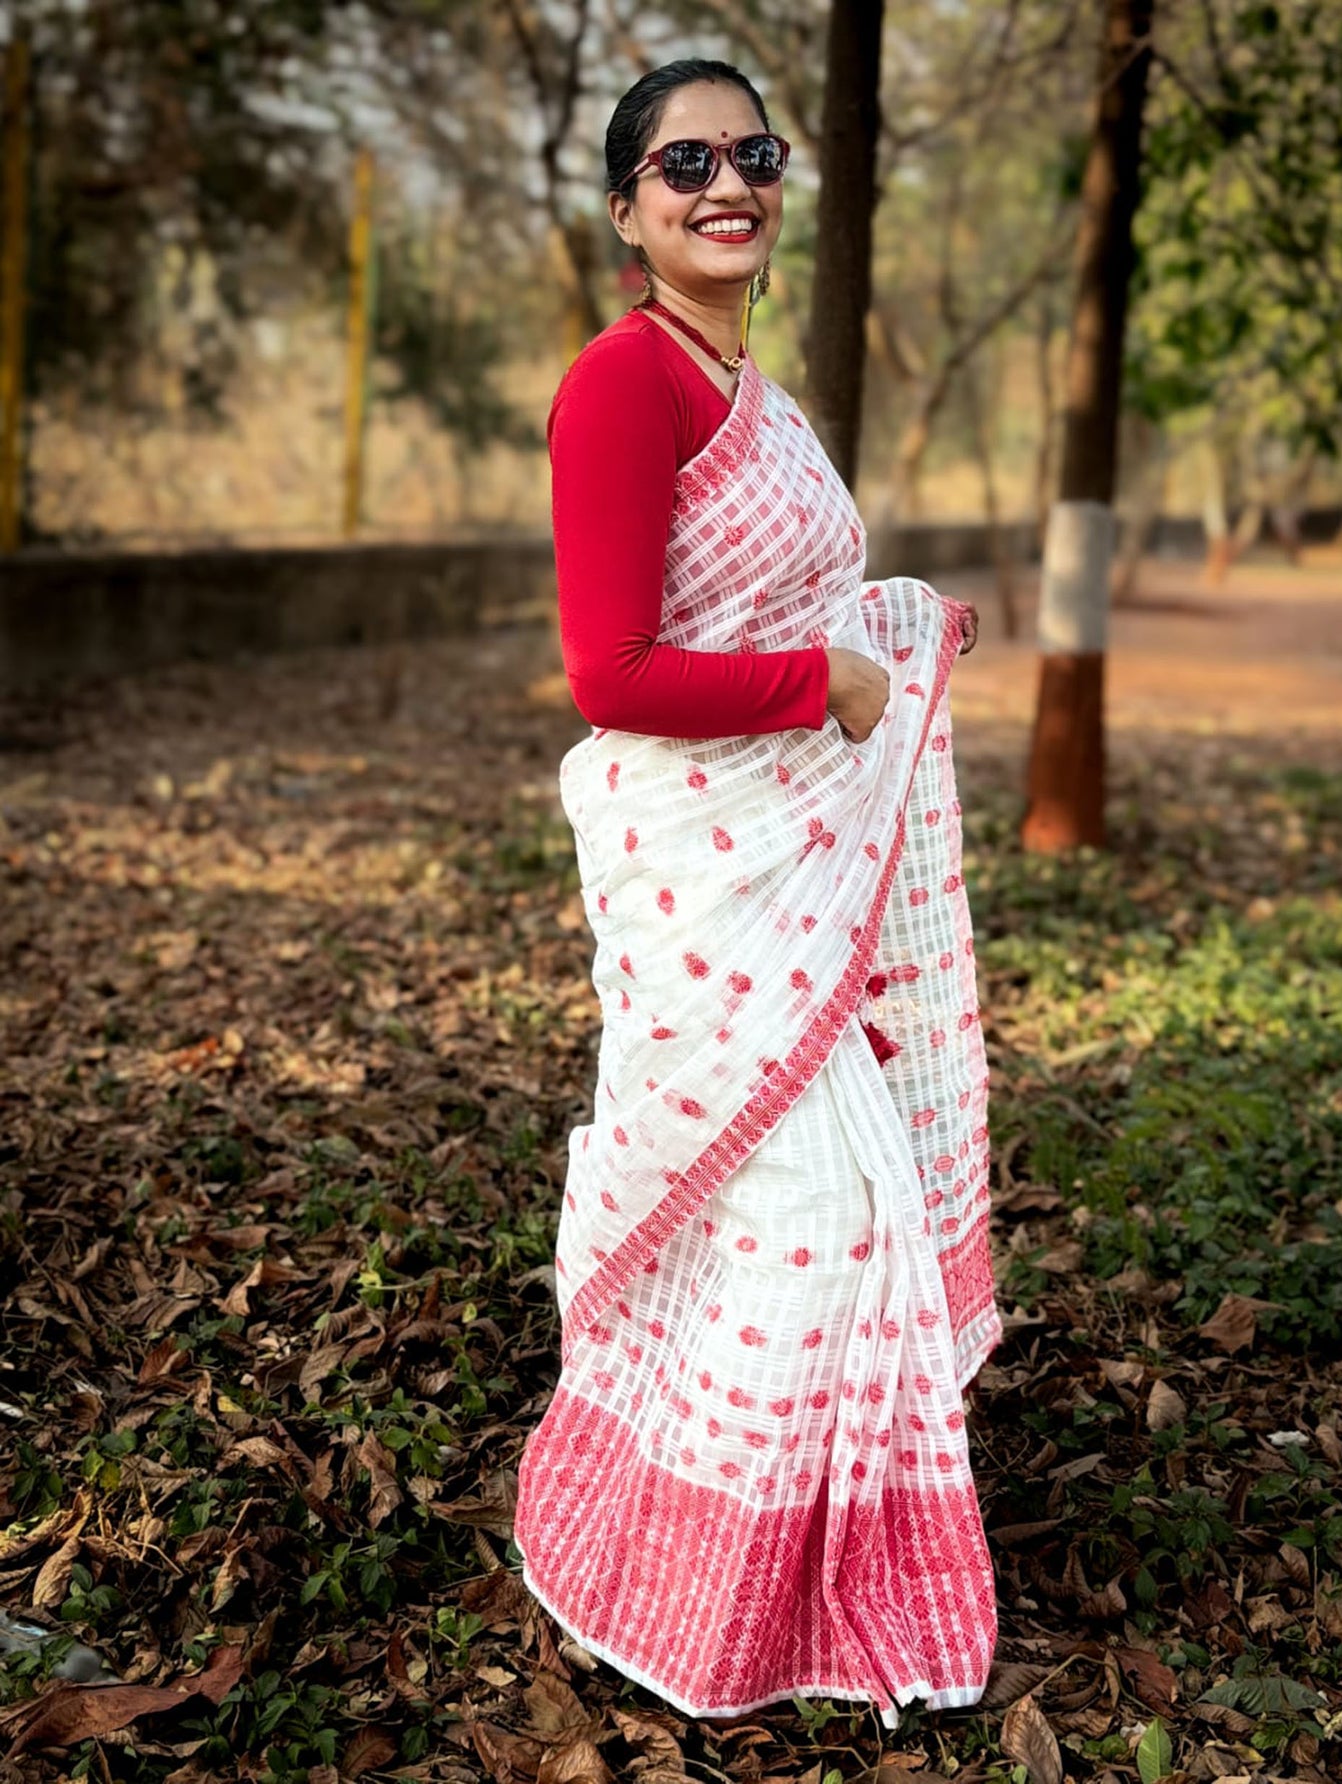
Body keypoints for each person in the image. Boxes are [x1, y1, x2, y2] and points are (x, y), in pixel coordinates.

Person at [513, 58, 1001, 1729]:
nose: (726, 180)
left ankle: (789, 1570)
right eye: (683, 159)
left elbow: (801, 594)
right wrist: (829, 688)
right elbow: (612, 669)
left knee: (828, 1213)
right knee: (783, 1212)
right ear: (628, 207)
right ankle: (672, 1561)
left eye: (752, 153)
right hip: (701, 875)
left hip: (785, 853)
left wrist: (902, 632)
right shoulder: (622, 386)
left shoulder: (760, 395)